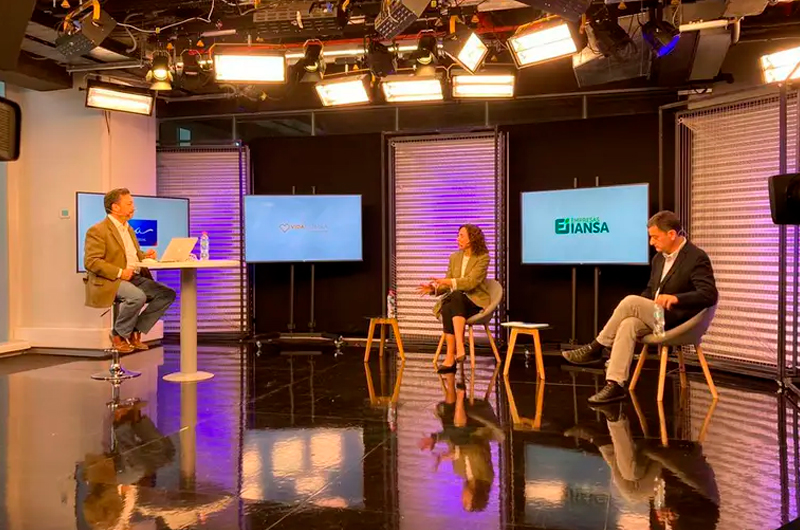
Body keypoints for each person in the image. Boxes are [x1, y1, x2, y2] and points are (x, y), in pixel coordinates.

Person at [562, 210, 718, 404]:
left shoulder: (696, 257)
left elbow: (709, 294)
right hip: (658, 319)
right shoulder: (659, 259)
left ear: (671, 234)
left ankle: (597, 347)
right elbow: (650, 290)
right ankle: (615, 384)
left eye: (655, 237)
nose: (651, 242)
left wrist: (676, 299)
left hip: (679, 322)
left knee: (630, 301)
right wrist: (643, 305)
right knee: (629, 323)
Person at [84, 188, 176, 353]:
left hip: (133, 276)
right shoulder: (98, 230)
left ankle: (135, 330)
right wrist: (120, 272)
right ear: (115, 207)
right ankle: (118, 334)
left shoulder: (129, 229)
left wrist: (145, 255)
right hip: (110, 279)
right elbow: (91, 261)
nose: (133, 207)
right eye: (129, 204)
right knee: (137, 297)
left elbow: (130, 254)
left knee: (167, 294)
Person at [417, 224, 491, 374]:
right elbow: (447, 283)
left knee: (453, 298)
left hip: (474, 300)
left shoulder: (483, 257)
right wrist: (434, 289)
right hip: (457, 301)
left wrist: (448, 282)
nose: (458, 239)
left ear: (472, 238)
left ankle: (453, 353)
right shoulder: (454, 257)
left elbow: (471, 282)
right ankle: (456, 352)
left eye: (461, 235)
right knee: (449, 303)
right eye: (458, 235)